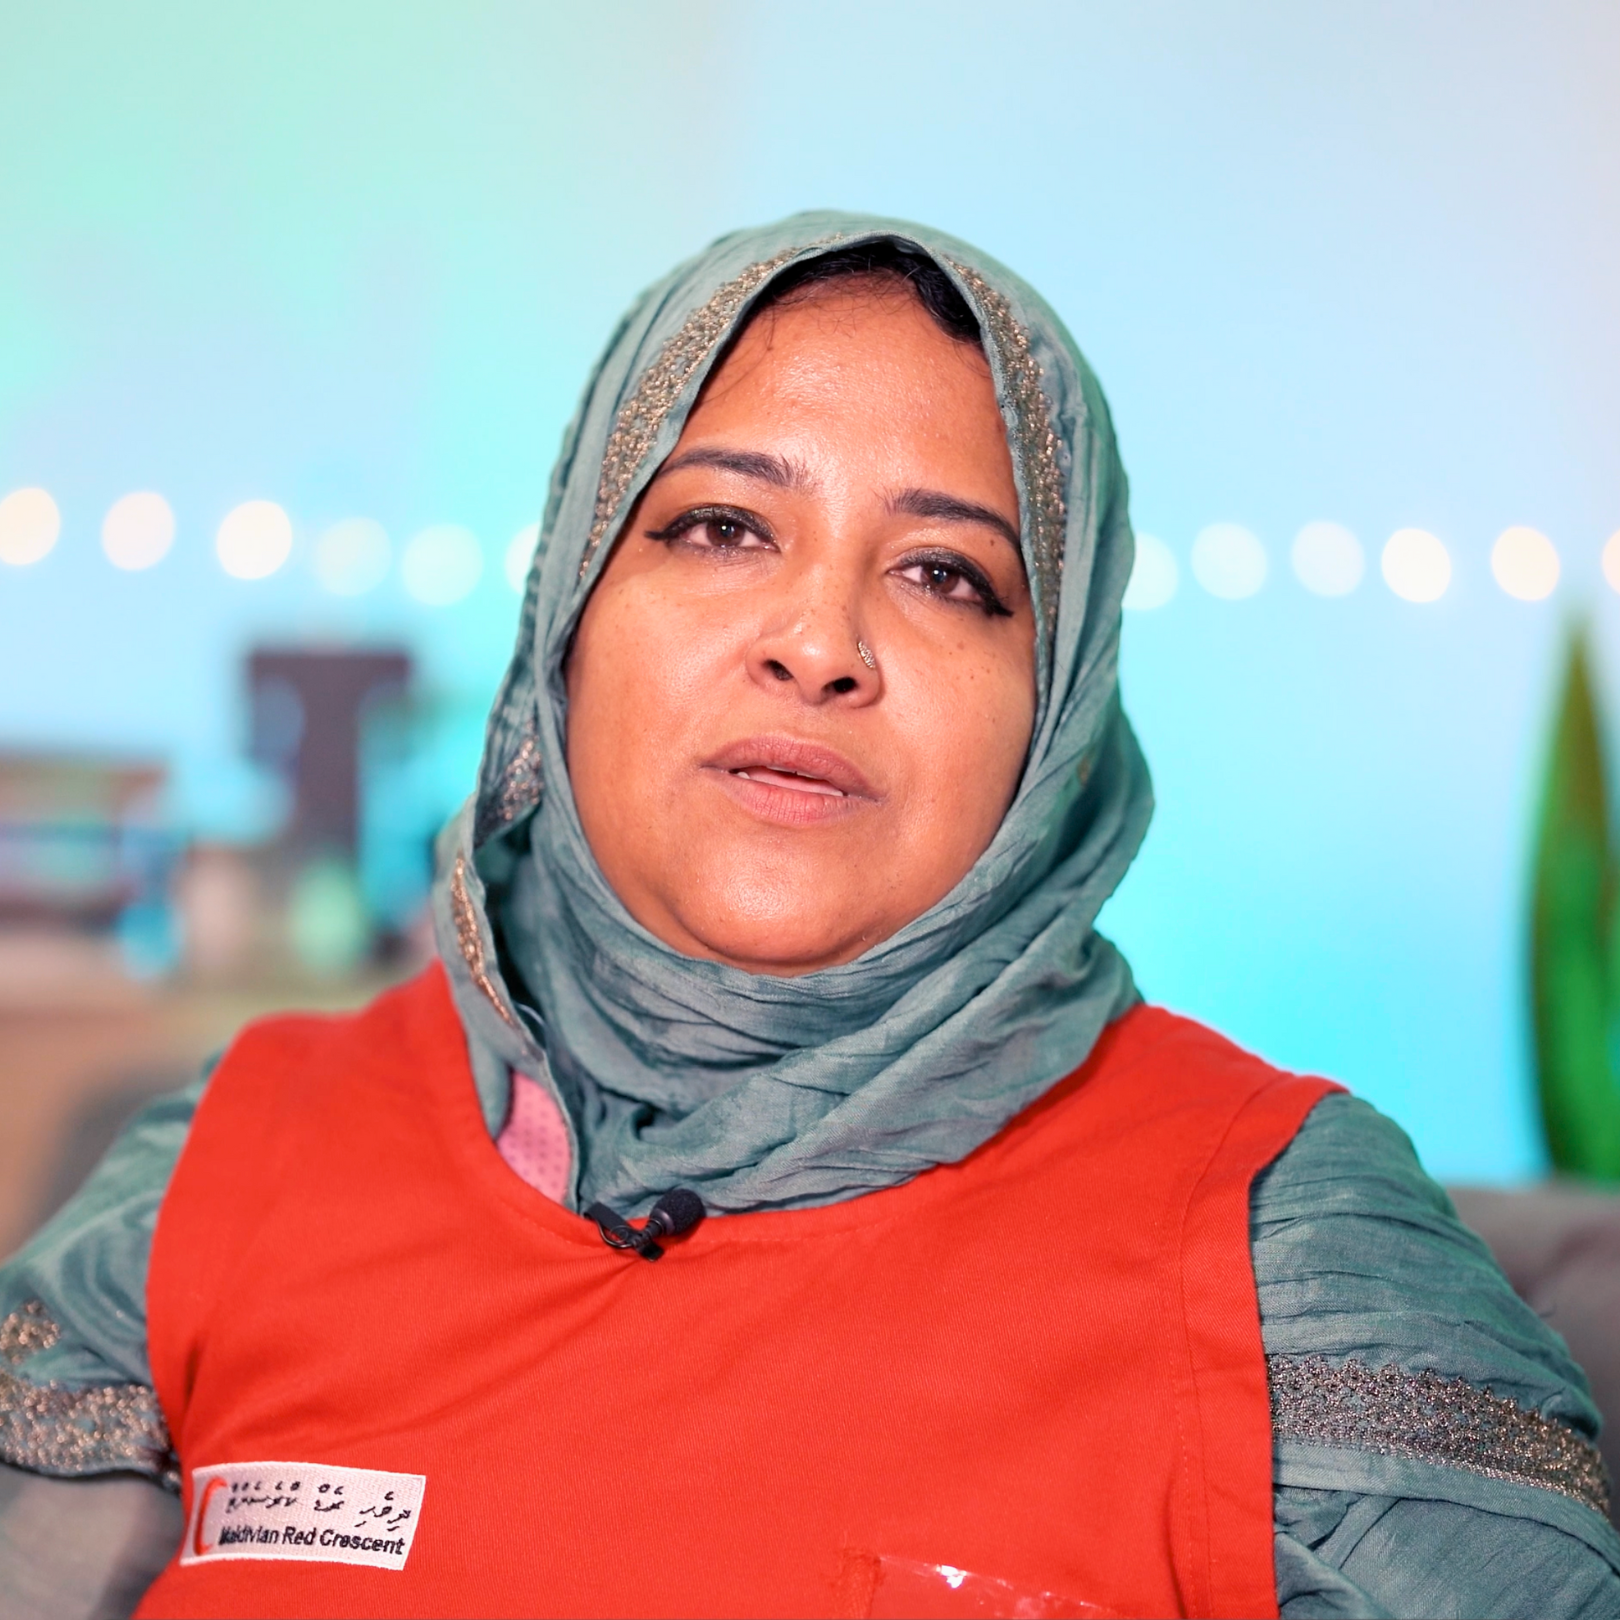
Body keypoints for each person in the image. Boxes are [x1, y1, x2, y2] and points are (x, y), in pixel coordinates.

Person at [2, 212, 1617, 1620]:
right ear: (567, 612)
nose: (819, 641)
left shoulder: (1288, 1252)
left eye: (948, 576)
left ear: (1053, 717)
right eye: (719, 527)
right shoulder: (221, 1168)